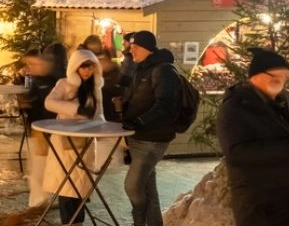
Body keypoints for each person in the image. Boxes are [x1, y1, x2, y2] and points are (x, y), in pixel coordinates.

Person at [216, 48, 289, 226]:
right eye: (276, 76)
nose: (282, 82)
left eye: (286, 77)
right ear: (257, 75)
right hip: (264, 207)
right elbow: (237, 153)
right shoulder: (236, 107)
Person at [119, 31, 179, 226]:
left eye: (136, 47)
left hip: (153, 138)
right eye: (131, 46)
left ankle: (139, 218)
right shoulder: (141, 68)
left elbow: (165, 105)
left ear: (147, 48)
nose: (131, 49)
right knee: (147, 187)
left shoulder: (164, 71)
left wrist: (140, 121)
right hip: (137, 136)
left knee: (132, 186)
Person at [42, 49, 104, 226]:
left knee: (81, 187)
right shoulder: (64, 83)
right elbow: (49, 102)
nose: (86, 71)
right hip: (65, 143)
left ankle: (78, 223)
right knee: (68, 187)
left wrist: (120, 144)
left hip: (86, 143)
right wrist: (76, 109)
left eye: (90, 67)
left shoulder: (95, 88)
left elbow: (100, 116)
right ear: (75, 67)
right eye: (83, 67)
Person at [16, 49, 58, 209]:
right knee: (37, 166)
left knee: (41, 166)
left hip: (48, 129)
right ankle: (38, 200)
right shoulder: (36, 80)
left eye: (33, 63)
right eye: (29, 64)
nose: (30, 67)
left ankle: (39, 200)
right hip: (37, 129)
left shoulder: (53, 81)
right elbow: (32, 102)